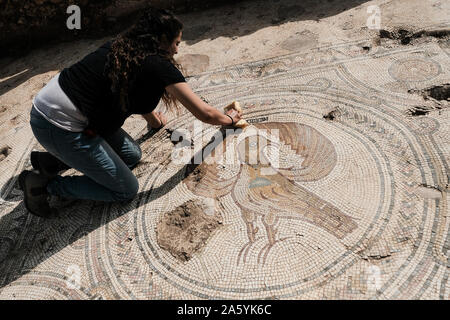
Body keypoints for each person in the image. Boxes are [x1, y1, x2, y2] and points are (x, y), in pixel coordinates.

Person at [19, 7, 242, 218]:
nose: (176, 50)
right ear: (162, 39)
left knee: (132, 156)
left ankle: (50, 162)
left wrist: (154, 121)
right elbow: (204, 113)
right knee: (125, 189)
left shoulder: (126, 47)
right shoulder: (157, 65)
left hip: (72, 110)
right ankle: (44, 186)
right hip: (56, 125)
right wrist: (229, 119)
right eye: (176, 43)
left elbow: (132, 92)